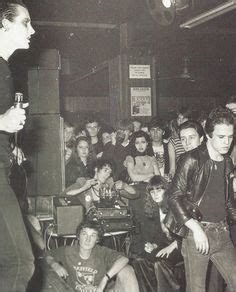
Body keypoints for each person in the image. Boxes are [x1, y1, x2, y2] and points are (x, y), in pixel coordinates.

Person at [168, 106, 236, 292]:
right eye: (221, 137)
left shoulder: (227, 162)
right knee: (196, 289)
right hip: (197, 233)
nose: (227, 142)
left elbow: (228, 201)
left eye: (230, 137)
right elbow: (173, 197)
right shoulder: (192, 159)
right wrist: (196, 229)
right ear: (208, 135)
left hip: (222, 233)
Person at [0, 1, 35, 290]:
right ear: (4, 23)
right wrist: (2, 122)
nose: (33, 30)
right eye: (26, 22)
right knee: (20, 262)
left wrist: (9, 145)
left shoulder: (4, 69)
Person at [44, 220, 140, 292]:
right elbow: (46, 255)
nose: (88, 239)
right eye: (84, 234)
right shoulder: (68, 251)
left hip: (100, 290)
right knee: (48, 274)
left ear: (97, 240)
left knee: (127, 270)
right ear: (78, 236)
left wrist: (104, 280)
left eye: (93, 236)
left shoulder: (102, 252)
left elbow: (124, 259)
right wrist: (55, 264)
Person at [131, 176, 183, 292]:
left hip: (181, 246)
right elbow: (160, 235)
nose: (155, 194)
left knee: (160, 262)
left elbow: (187, 232)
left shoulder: (175, 206)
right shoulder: (155, 209)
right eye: (152, 191)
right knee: (140, 260)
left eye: (159, 190)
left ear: (166, 190)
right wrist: (154, 245)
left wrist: (173, 245)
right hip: (165, 245)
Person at [63, 158, 138, 212]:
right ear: (96, 169)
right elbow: (64, 195)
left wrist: (125, 185)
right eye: (105, 170)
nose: (107, 175)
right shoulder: (83, 182)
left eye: (109, 172)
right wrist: (84, 188)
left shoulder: (109, 186)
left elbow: (135, 194)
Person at [168, 106, 192, 177]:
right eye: (179, 118)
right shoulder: (173, 142)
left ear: (189, 119)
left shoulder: (196, 139)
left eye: (183, 118)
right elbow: (172, 169)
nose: (180, 121)